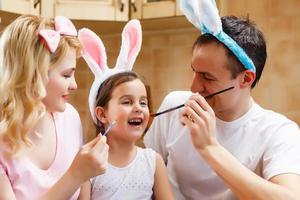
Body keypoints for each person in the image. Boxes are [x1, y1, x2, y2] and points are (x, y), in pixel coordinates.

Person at [144, 0, 300, 199]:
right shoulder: (174, 106)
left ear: (246, 78)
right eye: (194, 72)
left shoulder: (278, 132)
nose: (193, 88)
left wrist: (209, 148)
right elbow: (144, 179)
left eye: (207, 77)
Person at [0, 15, 109, 200]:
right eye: (67, 75)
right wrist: (76, 174)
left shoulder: (70, 118)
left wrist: (84, 173)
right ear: (33, 75)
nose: (74, 85)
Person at [78, 20, 174, 199]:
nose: (138, 107)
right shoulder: (89, 163)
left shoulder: (153, 161)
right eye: (127, 102)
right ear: (102, 114)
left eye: (143, 103)